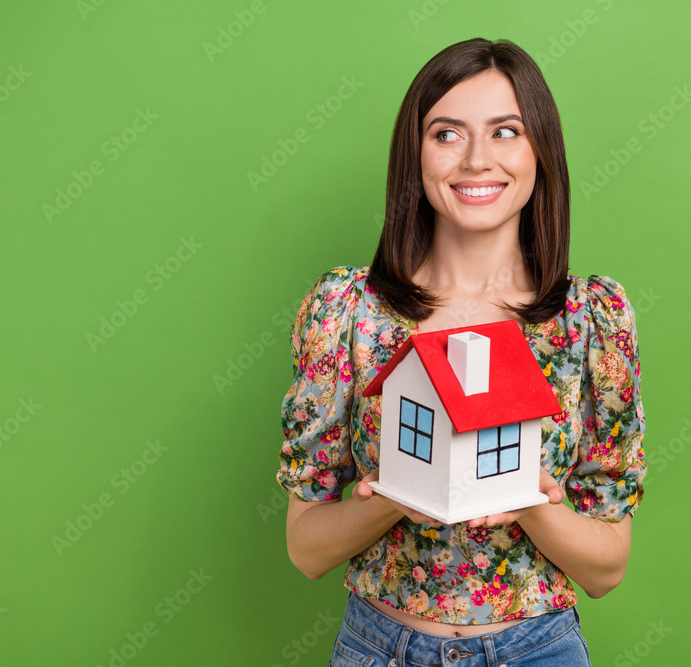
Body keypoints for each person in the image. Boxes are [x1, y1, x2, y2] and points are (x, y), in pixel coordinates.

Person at [276, 37, 646, 667]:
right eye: (447, 134)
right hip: (379, 647)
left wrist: (529, 502)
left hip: (538, 650)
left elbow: (607, 567)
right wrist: (397, 490)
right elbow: (306, 550)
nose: (477, 160)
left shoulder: (591, 321)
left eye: (506, 131)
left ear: (540, 154)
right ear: (415, 157)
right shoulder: (348, 311)